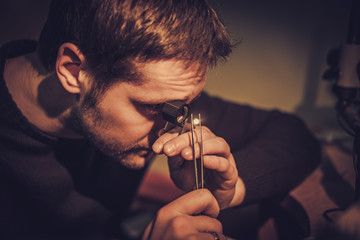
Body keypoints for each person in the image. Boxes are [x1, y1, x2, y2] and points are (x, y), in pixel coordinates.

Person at [0, 0, 321, 239]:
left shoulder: (154, 95)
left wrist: (232, 188)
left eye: (180, 107)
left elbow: (295, 137)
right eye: (154, 108)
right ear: (73, 70)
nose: (167, 133)